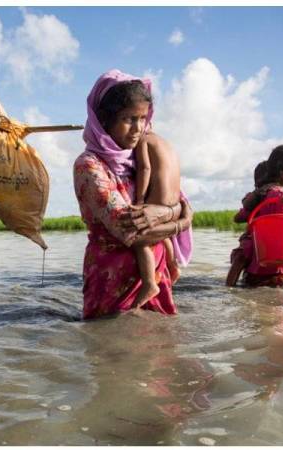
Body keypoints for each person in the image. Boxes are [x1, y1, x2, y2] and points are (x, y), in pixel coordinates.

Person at [73, 69, 193, 319]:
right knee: (113, 348)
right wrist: (181, 220)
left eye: (143, 118)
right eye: (129, 119)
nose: (138, 128)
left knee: (160, 350)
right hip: (113, 278)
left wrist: (172, 211)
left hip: (156, 276)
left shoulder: (137, 158)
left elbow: (172, 199)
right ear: (104, 119)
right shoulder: (89, 165)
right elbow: (131, 231)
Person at [228, 144, 283, 287]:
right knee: (244, 254)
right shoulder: (269, 195)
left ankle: (229, 287)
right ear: (280, 168)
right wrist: (257, 195)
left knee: (242, 256)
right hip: (272, 247)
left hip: (271, 248)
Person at [134, 119, 181, 305]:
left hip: (158, 201)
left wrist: (139, 198)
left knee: (142, 240)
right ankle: (172, 264)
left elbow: (145, 168)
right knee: (162, 235)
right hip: (173, 202)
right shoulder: (165, 143)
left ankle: (149, 283)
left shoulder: (143, 140)